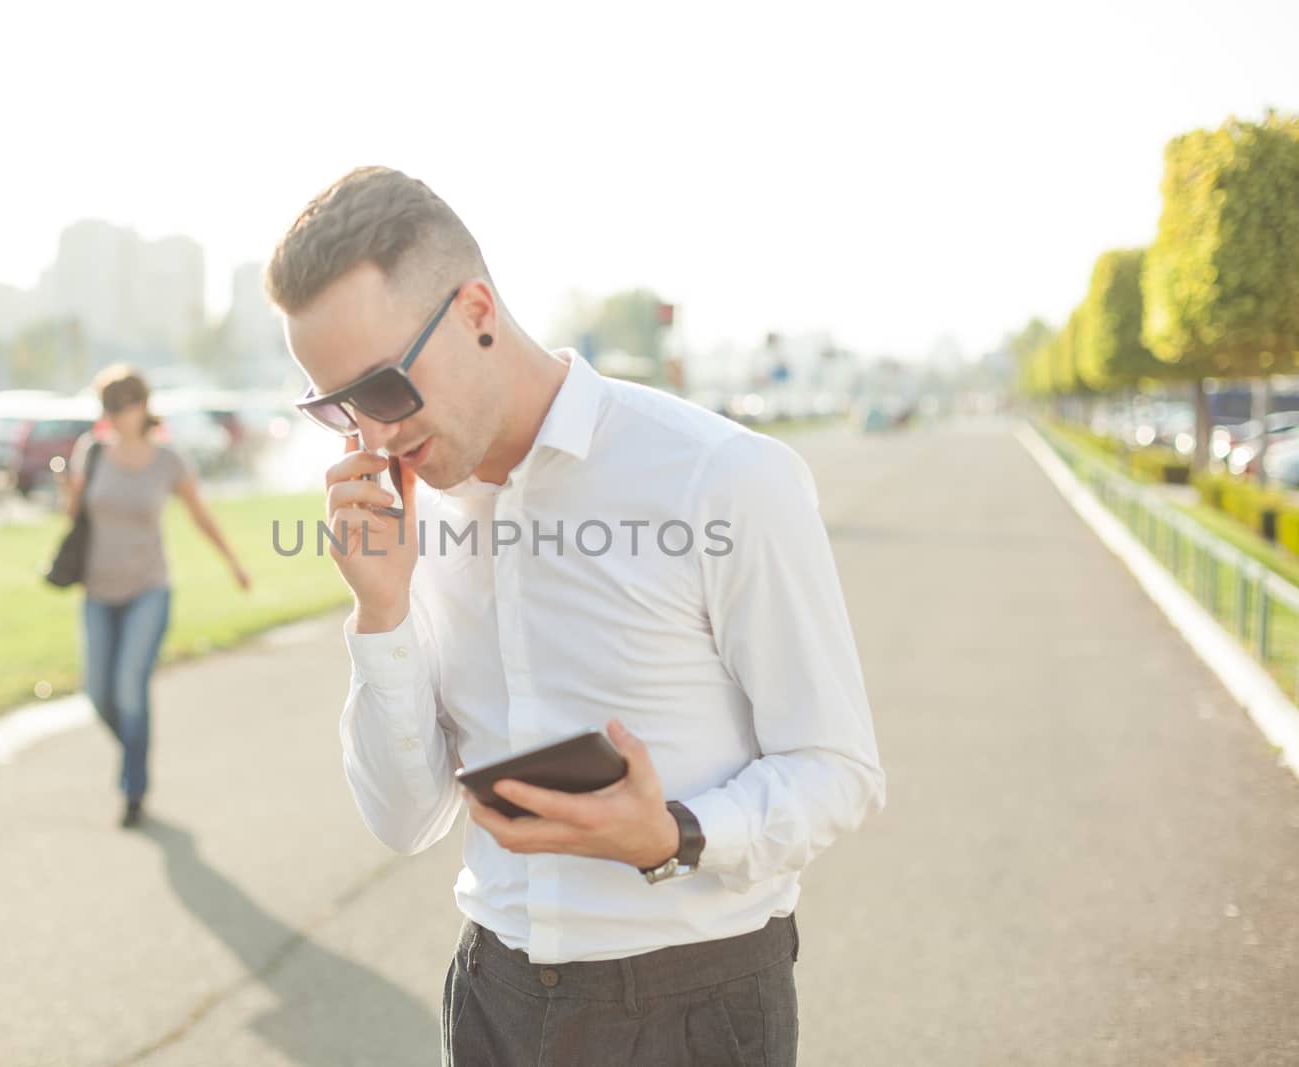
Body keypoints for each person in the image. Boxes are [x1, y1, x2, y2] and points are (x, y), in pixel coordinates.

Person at [265, 167, 885, 1065]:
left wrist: (674, 834)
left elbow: (839, 768)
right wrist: (383, 611)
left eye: (386, 388)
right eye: (337, 407)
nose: (376, 434)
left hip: (694, 1005)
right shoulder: (410, 514)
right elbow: (405, 821)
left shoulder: (722, 477)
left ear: (478, 310)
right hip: (492, 999)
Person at [65, 365, 252, 828]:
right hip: (97, 590)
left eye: (122, 405)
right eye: (107, 407)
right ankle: (135, 748)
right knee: (99, 694)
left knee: (130, 687)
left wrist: (232, 562)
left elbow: (200, 516)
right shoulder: (90, 454)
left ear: (141, 406)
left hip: (149, 590)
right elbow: (72, 513)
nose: (114, 415)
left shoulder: (168, 460)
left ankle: (133, 788)